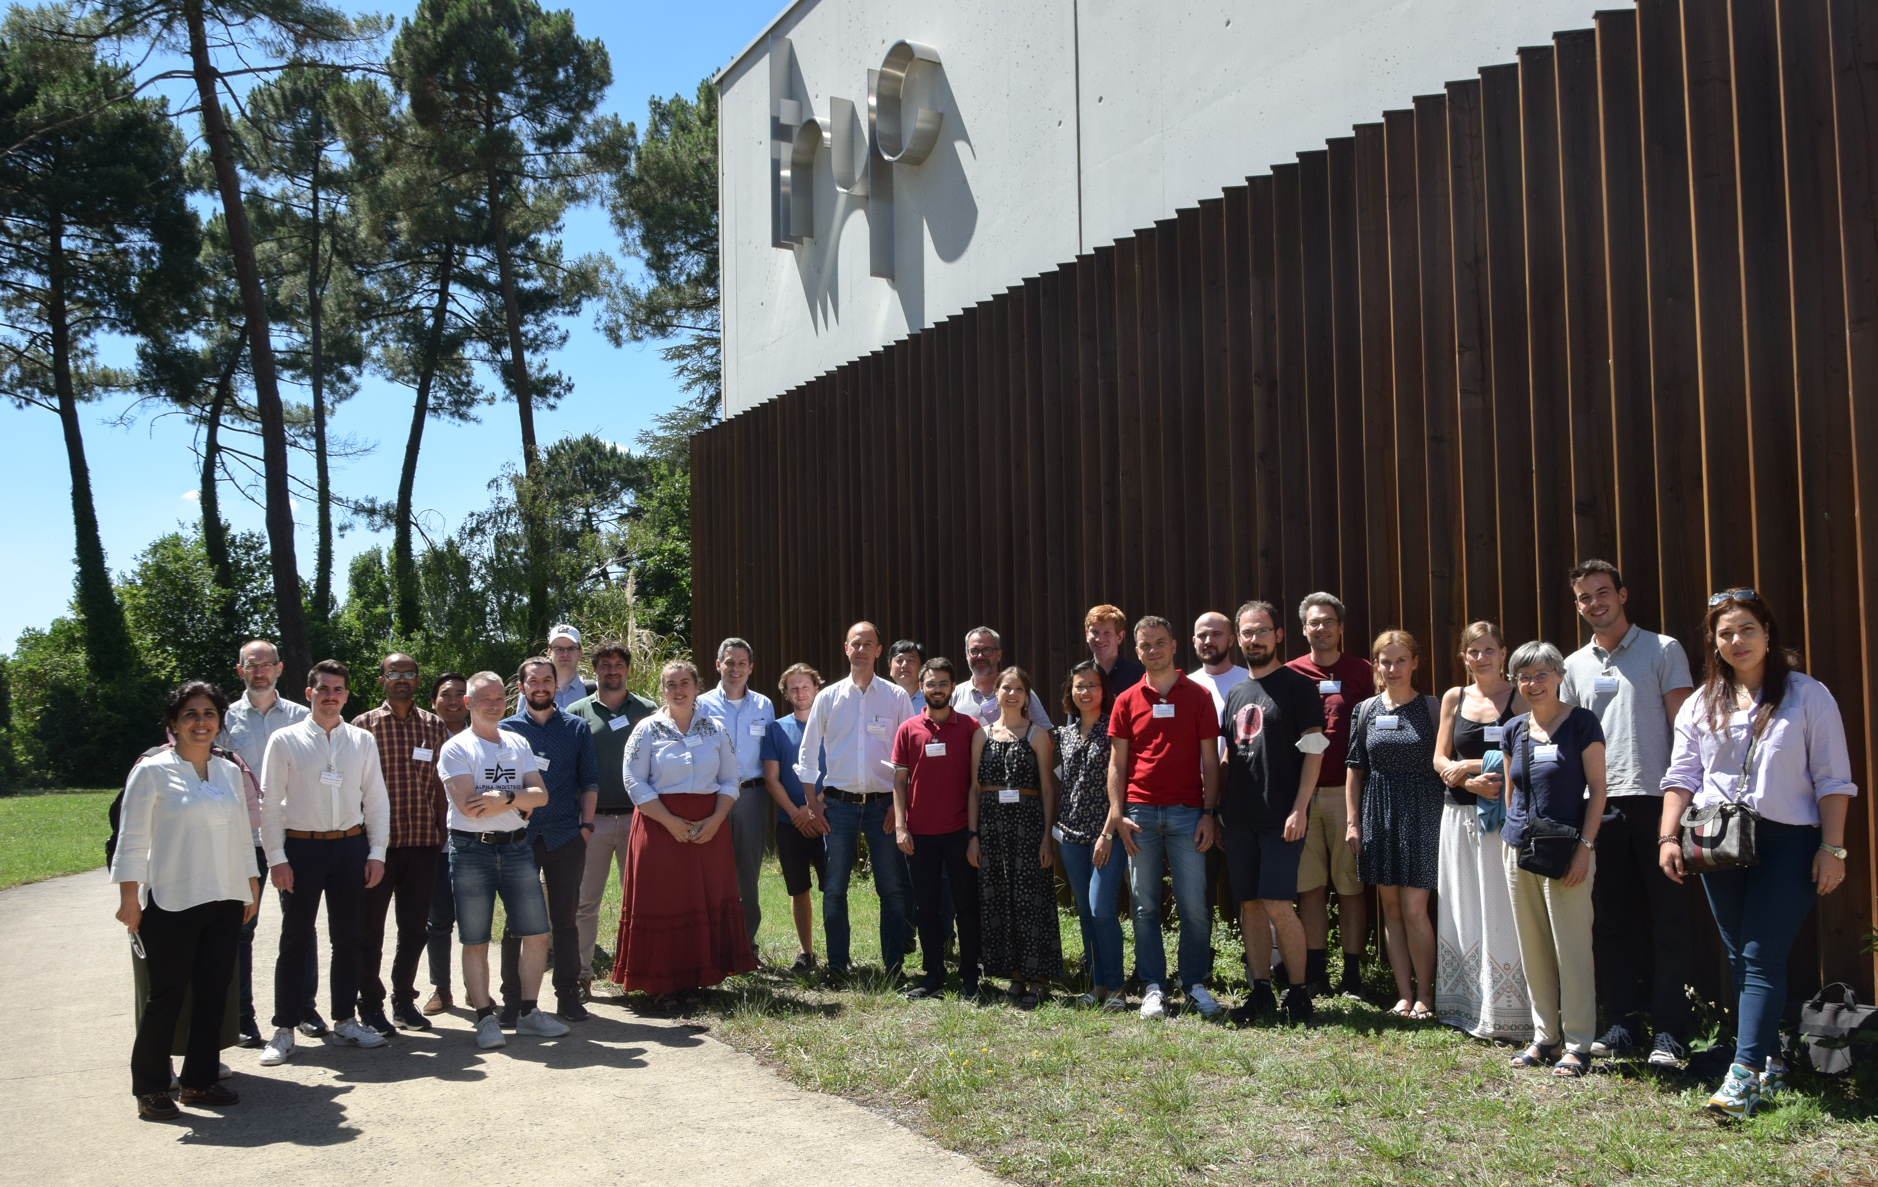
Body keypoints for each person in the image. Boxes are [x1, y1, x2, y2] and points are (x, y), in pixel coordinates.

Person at [1660, 591, 1856, 1119]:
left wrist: (1832, 848)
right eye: (1725, 633)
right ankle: (1768, 1060)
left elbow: (1833, 779)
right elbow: (1682, 776)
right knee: (1740, 957)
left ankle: (1743, 1076)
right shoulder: (1702, 703)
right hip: (1718, 841)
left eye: (1747, 629)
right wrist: (1668, 837)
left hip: (1789, 842)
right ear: (1714, 643)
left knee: (1760, 955)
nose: (1736, 641)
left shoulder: (1808, 695)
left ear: (1768, 634)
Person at [1559, 560, 1696, 1066]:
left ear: (1623, 594)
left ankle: (1670, 1033)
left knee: (1669, 923)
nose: (1595, 603)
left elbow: (1685, 732)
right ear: (1577, 605)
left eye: (1602, 593)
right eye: (1584, 597)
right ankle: (1621, 1024)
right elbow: (1569, 739)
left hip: (1660, 805)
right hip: (1601, 808)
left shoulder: (1663, 650)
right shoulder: (1573, 665)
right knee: (1611, 922)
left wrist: (1681, 809)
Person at [112, 682, 260, 1120]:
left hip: (224, 897)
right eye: (191, 714)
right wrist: (129, 897)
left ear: (219, 722)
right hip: (171, 900)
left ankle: (199, 1081)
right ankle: (152, 1087)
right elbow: (132, 838)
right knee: (167, 996)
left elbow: (240, 834)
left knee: (215, 993)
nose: (201, 722)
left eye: (209, 714)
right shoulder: (152, 771)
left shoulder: (229, 771)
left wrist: (249, 884)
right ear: (173, 724)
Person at [257, 660, 392, 1065]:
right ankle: (284, 1027)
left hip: (349, 847)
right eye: (323, 689)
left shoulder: (361, 741)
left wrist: (376, 852)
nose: (330, 696)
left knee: (348, 938)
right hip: (301, 849)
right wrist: (276, 859)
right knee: (295, 938)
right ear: (309, 693)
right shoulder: (284, 740)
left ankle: (345, 1021)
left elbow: (376, 799)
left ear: (347, 696)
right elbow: (267, 806)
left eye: (337, 690)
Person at [437, 672, 571, 1049]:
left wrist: (504, 799)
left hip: (516, 847)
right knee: (475, 939)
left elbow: (540, 796)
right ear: (468, 703)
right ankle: (484, 1018)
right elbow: (469, 805)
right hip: (471, 851)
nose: (493, 704)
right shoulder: (457, 748)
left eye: (498, 698)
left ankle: (529, 1013)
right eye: (484, 698)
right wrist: (515, 797)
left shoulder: (517, 742)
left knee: (536, 932)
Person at [612, 660, 756, 1009]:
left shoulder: (715, 729)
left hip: (709, 828)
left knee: (701, 899)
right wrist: (671, 822)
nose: (678, 690)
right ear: (662, 690)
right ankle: (661, 984)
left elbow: (729, 778)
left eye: (685, 682)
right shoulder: (646, 730)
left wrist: (717, 819)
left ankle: (697, 977)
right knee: (664, 900)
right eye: (670, 684)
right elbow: (633, 780)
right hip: (658, 827)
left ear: (696, 686)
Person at [1107, 615, 1224, 1020]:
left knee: (1194, 906)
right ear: (1135, 650)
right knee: (1144, 907)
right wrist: (1118, 814)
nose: (1152, 650)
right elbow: (1117, 764)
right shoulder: (1126, 699)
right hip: (1138, 814)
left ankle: (1193, 984)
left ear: (1175, 646)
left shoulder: (1198, 695)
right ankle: (1154, 985)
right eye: (1144, 645)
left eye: (1159, 642)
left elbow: (1211, 760)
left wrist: (1210, 812)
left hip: (1188, 814)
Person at [1501, 641, 1607, 1077]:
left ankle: (1579, 1043)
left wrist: (1585, 848)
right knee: (1534, 946)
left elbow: (1599, 790)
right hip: (1520, 850)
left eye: (1542, 674)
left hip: (1568, 852)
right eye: (1524, 676)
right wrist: (1511, 839)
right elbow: (1512, 790)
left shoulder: (1582, 723)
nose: (1533, 683)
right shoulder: (1514, 729)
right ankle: (1545, 1037)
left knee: (1572, 947)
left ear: (1560, 676)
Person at [1219, 601, 1327, 1027]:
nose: (1254, 639)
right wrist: (1217, 809)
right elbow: (1229, 756)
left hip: (1284, 817)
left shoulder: (1298, 687)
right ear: (1238, 638)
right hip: (1240, 818)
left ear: (1279, 635)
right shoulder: (1235, 693)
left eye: (1262, 631)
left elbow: (1315, 750)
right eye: (1246, 632)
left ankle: (1298, 994)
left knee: (1279, 903)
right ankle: (1260, 989)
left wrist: (1300, 808)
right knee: (1249, 906)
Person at [795, 622, 916, 980]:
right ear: (845, 648)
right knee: (834, 889)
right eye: (855, 643)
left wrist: (900, 809)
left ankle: (894, 966)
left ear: (880, 651)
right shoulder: (828, 697)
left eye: (869, 644)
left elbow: (911, 756)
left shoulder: (896, 697)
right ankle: (836, 966)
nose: (861, 649)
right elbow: (807, 753)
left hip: (883, 807)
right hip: (839, 807)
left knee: (892, 888)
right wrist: (811, 804)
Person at [1431, 622, 1531, 1041]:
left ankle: (1510, 1012)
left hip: (1502, 819)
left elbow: (1526, 749)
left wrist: (1471, 767)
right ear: (1464, 656)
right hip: (1458, 816)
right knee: (1462, 905)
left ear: (1503, 653)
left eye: (1489, 650)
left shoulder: (1522, 695)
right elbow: (1439, 758)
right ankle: (1464, 1006)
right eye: (1474, 651)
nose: (1482, 658)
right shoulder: (1454, 697)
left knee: (1503, 908)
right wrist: (1462, 780)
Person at [1344, 631, 1442, 1021]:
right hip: (1378, 811)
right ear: (1377, 665)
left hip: (1422, 810)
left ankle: (1426, 995)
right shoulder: (1365, 709)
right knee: (1391, 909)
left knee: (1416, 907)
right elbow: (1355, 768)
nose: (1393, 668)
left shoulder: (1432, 707)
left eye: (1401, 660)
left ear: (1415, 662)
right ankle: (1403, 994)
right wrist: (1353, 822)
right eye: (1386, 661)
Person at [352, 654, 452, 1036]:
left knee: (414, 929)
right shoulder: (363, 726)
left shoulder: (434, 725)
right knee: (369, 931)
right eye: (394, 673)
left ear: (417, 679)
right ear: (382, 680)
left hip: (423, 843)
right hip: (375, 848)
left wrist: (441, 832)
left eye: (409, 673)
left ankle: (403, 1000)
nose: (401, 679)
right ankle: (370, 1004)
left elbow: (445, 783)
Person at [216, 639, 309, 1045]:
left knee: (300, 926)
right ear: (240, 671)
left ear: (279, 668)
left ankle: (304, 1009)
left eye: (266, 664)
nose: (259, 671)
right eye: (251, 666)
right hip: (243, 840)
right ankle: (242, 1016)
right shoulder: (222, 719)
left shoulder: (302, 717)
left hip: (293, 837)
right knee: (240, 930)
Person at [499, 658, 602, 1024]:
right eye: (533, 681)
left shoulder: (576, 728)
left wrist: (586, 827)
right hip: (517, 838)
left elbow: (589, 780)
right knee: (515, 922)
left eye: (547, 680)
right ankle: (512, 1000)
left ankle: (567, 995)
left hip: (564, 836)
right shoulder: (505, 730)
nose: (540, 686)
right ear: (522, 687)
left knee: (565, 920)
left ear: (557, 685)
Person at [1286, 593, 1373, 998]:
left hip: (1347, 794)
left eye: (1328, 621)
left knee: (1351, 886)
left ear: (1340, 627)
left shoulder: (1363, 671)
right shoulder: (1289, 674)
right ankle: (1317, 972)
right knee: (1310, 888)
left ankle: (1352, 977)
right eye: (1313, 622)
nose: (1320, 628)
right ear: (1304, 629)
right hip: (1302, 798)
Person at [566, 641, 657, 999]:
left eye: (619, 664)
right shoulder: (576, 711)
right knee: (586, 901)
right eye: (605, 664)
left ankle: (636, 970)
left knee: (638, 900)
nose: (612, 670)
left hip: (640, 819)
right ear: (596, 670)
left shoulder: (648, 710)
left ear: (628, 669)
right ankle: (581, 974)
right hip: (593, 822)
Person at [891, 657, 984, 1000]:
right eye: (930, 684)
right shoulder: (908, 729)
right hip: (920, 834)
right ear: (922, 687)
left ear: (953, 687)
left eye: (943, 683)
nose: (937, 690)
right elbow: (899, 782)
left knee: (966, 906)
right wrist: (901, 826)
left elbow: (975, 785)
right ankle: (933, 977)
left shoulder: (971, 727)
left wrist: (973, 836)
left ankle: (971, 977)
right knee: (926, 908)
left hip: (960, 831)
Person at [970, 666, 1062, 1006]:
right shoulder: (981, 735)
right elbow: (974, 788)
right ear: (996, 692)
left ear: (1027, 696)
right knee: (1000, 899)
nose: (1012, 694)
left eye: (1019, 689)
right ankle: (1014, 975)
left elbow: (1048, 789)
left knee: (1031, 901)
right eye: (1006, 687)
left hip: (1028, 826)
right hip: (992, 828)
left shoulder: (1037, 734)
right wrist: (973, 835)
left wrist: (1046, 838)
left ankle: (1037, 976)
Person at [697, 638, 778, 952]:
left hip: (752, 797)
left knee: (748, 870)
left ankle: (746, 943)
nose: (736, 669)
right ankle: (712, 941)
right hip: (713, 795)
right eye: (729, 662)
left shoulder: (764, 705)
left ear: (751, 668)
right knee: (712, 867)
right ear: (718, 665)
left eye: (742, 663)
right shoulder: (701, 704)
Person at [1054, 661, 1126, 1010]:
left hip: (1105, 835)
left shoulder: (1114, 729)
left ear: (1104, 690)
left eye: (1092, 686)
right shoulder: (1063, 734)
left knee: (1102, 909)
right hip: (1070, 836)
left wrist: (1109, 832)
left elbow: (1121, 784)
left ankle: (1116, 987)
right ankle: (1097, 985)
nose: (1085, 692)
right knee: (1084, 910)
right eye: (1079, 686)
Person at [762, 663, 831, 974]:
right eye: (794, 688)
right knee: (798, 889)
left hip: (829, 820)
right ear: (786, 693)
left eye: (806, 686)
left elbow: (841, 771)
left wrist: (817, 807)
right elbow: (772, 778)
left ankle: (837, 952)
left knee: (834, 889)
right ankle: (806, 952)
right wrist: (796, 812)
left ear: (816, 688)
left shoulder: (833, 724)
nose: (800, 692)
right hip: (791, 823)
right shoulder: (777, 729)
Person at [423, 672, 468, 1015]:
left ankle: (475, 989)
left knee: (474, 921)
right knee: (438, 922)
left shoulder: (481, 736)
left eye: (459, 694)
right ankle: (441, 988)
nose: (452, 700)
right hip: (434, 846)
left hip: (472, 844)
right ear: (433, 701)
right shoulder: (423, 736)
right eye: (445, 694)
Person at [954, 627, 1054, 727]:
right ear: (966, 655)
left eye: (987, 650)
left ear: (999, 655)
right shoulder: (954, 696)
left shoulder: (1019, 693)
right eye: (974, 651)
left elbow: (1046, 732)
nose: (980, 656)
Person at [1187, 611, 1249, 750]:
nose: (1209, 641)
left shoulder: (1250, 681)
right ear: (1194, 641)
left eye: (1217, 634)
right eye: (1202, 635)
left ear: (1231, 640)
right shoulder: (1185, 685)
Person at [1086, 604, 1146, 698]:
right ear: (1087, 634)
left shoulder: (1139, 675)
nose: (1099, 639)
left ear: (1120, 637)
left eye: (1107, 633)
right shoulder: (1081, 676)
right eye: (1095, 632)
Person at [548, 623, 597, 710]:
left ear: (580, 653)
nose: (565, 653)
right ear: (549, 653)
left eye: (571, 648)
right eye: (558, 649)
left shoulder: (595, 690)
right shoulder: (534, 690)